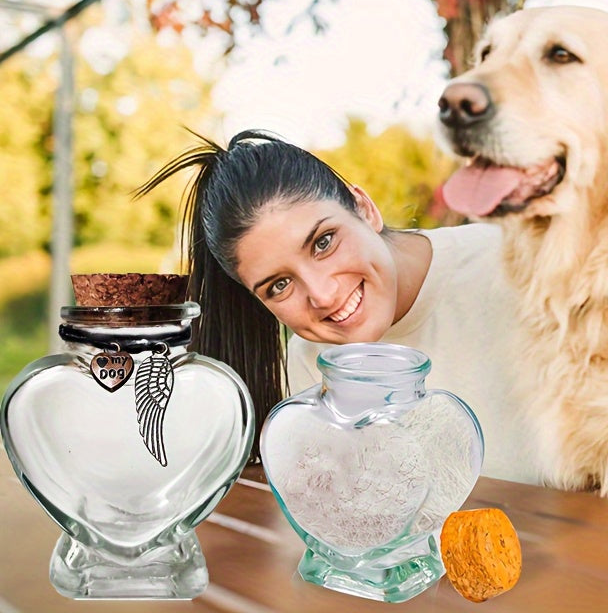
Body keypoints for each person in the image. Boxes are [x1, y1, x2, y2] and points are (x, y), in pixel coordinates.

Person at [137, 129, 522, 477]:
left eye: (323, 243)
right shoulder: (308, 368)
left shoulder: (517, 270)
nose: (322, 295)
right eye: (280, 285)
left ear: (364, 208)